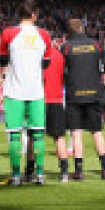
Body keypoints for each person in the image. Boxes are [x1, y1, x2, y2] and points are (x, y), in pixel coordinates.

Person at [0, 0, 52, 186]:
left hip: (14, 91)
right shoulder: (44, 35)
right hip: (36, 90)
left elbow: (3, 61)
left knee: (14, 134)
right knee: (37, 134)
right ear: (35, 15)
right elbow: (46, 63)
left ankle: (15, 175)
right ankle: (39, 174)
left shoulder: (8, 33)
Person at [62, 18, 105, 180]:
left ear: (69, 31)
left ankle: (79, 170)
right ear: (82, 28)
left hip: (74, 94)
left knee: (76, 133)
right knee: (97, 132)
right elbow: (104, 63)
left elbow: (63, 70)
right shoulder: (95, 44)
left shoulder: (66, 47)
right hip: (93, 92)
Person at [42, 38, 71, 183]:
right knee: (59, 137)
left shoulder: (38, 54)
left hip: (40, 99)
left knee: (35, 136)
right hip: (57, 99)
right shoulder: (60, 56)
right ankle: (64, 171)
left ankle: (34, 171)